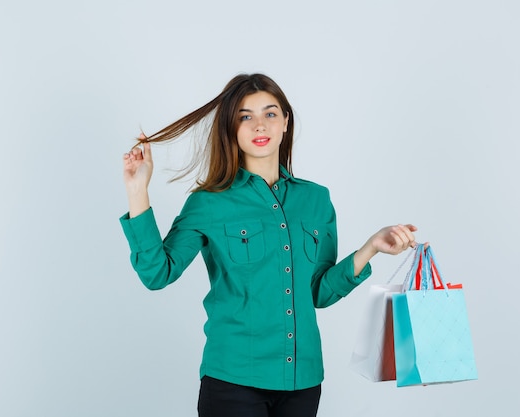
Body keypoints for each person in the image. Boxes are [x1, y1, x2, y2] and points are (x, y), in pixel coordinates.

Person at [120, 73, 417, 417]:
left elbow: (318, 293)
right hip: (234, 382)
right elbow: (158, 273)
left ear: (286, 122)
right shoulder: (208, 203)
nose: (259, 125)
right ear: (231, 127)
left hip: (302, 382)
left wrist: (372, 247)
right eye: (245, 117)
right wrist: (137, 190)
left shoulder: (316, 200)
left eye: (270, 113)